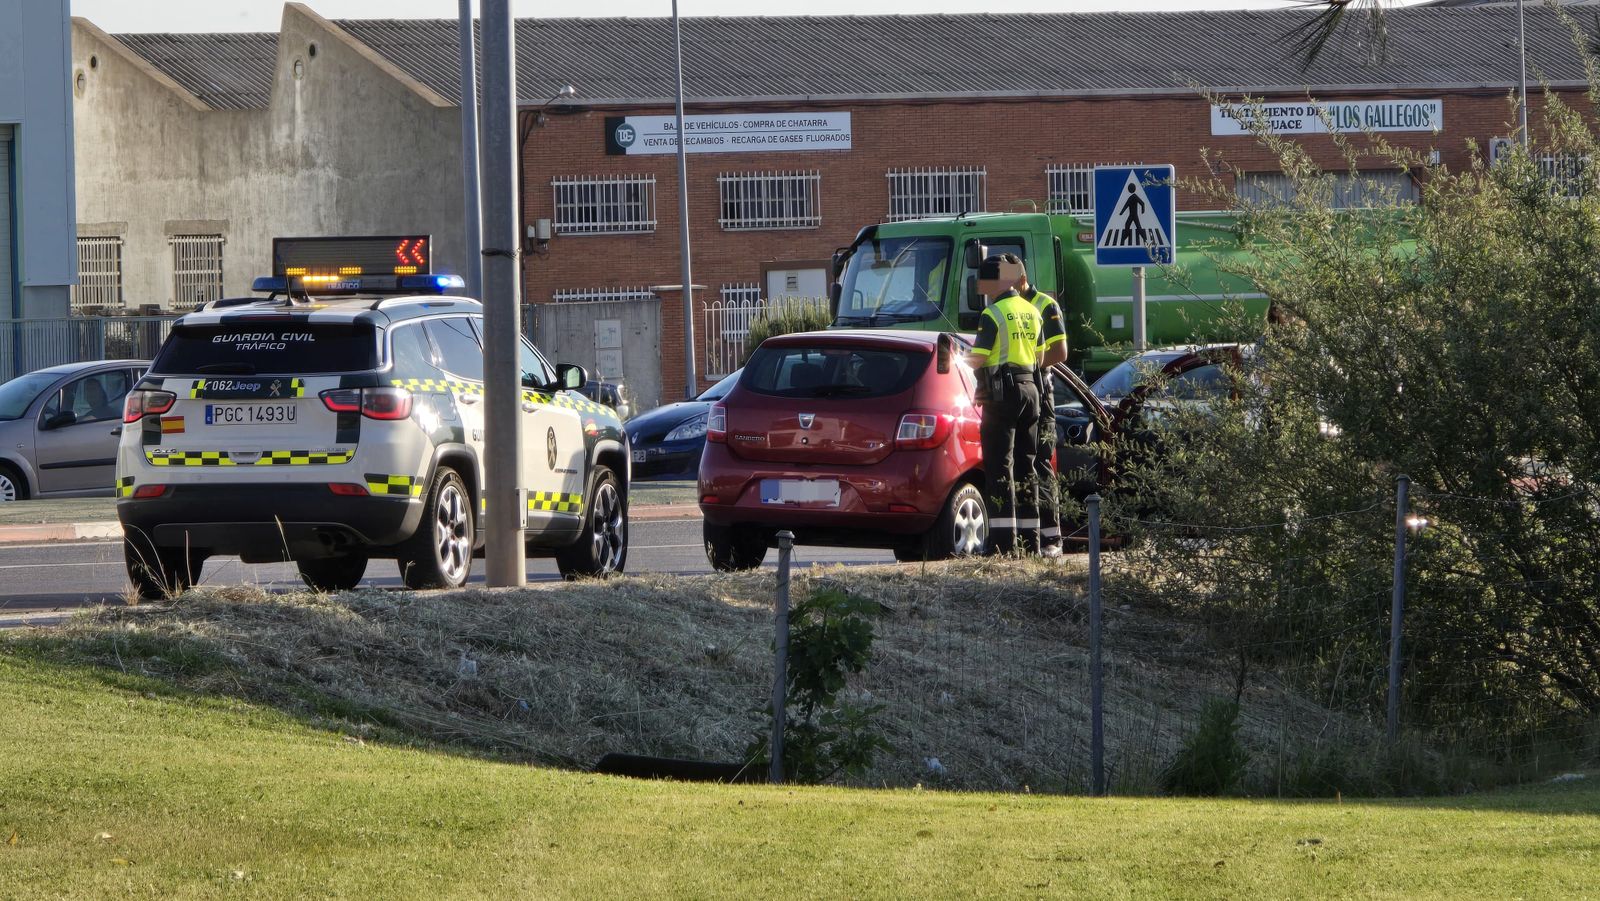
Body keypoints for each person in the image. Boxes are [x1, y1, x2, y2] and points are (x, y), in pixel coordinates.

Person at [964, 253, 1045, 554]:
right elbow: (1039, 357)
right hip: (1031, 390)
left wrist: (960, 357)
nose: (980, 285)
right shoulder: (1032, 311)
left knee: (1000, 466)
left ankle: (1002, 544)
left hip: (1003, 393)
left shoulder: (993, 314)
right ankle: (1030, 542)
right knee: (1027, 466)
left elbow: (979, 357)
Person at [1016, 263, 1069, 557]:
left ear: (1023, 279)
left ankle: (1051, 539)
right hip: (1012, 395)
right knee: (1019, 464)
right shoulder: (1002, 307)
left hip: (1040, 391)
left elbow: (1060, 353)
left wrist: (1026, 365)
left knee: (1040, 463)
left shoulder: (1045, 305)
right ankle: (1025, 539)